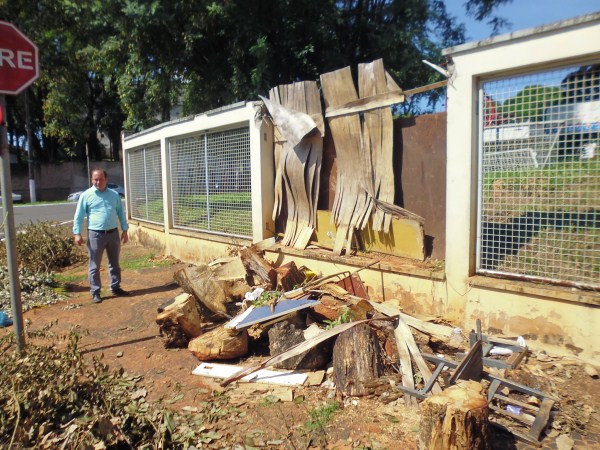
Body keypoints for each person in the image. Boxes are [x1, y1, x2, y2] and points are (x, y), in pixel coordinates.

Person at [73, 168, 130, 304]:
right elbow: (79, 216)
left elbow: (121, 213)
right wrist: (77, 233)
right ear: (92, 180)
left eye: (100, 179)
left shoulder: (114, 195)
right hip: (95, 235)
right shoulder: (86, 195)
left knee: (114, 263)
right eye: (95, 179)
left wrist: (125, 230)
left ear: (106, 180)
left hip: (113, 234)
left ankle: (115, 287)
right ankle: (96, 292)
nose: (98, 182)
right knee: (94, 265)